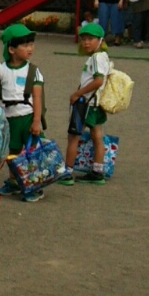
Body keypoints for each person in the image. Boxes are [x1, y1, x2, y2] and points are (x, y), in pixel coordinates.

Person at [0, 25, 45, 201]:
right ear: (11, 49)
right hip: (9, 118)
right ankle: (14, 181)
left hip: (28, 116)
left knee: (32, 152)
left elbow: (37, 97)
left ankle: (34, 185)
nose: (30, 48)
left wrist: (36, 121)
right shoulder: (0, 70)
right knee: (12, 151)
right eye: (25, 45)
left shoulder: (33, 70)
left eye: (31, 44)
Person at [64, 22, 112, 186]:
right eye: (83, 39)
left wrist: (78, 93)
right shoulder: (103, 56)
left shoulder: (97, 58)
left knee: (73, 136)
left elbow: (98, 81)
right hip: (96, 104)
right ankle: (97, 171)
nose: (86, 42)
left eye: (90, 39)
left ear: (100, 40)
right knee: (97, 135)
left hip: (87, 103)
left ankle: (67, 172)